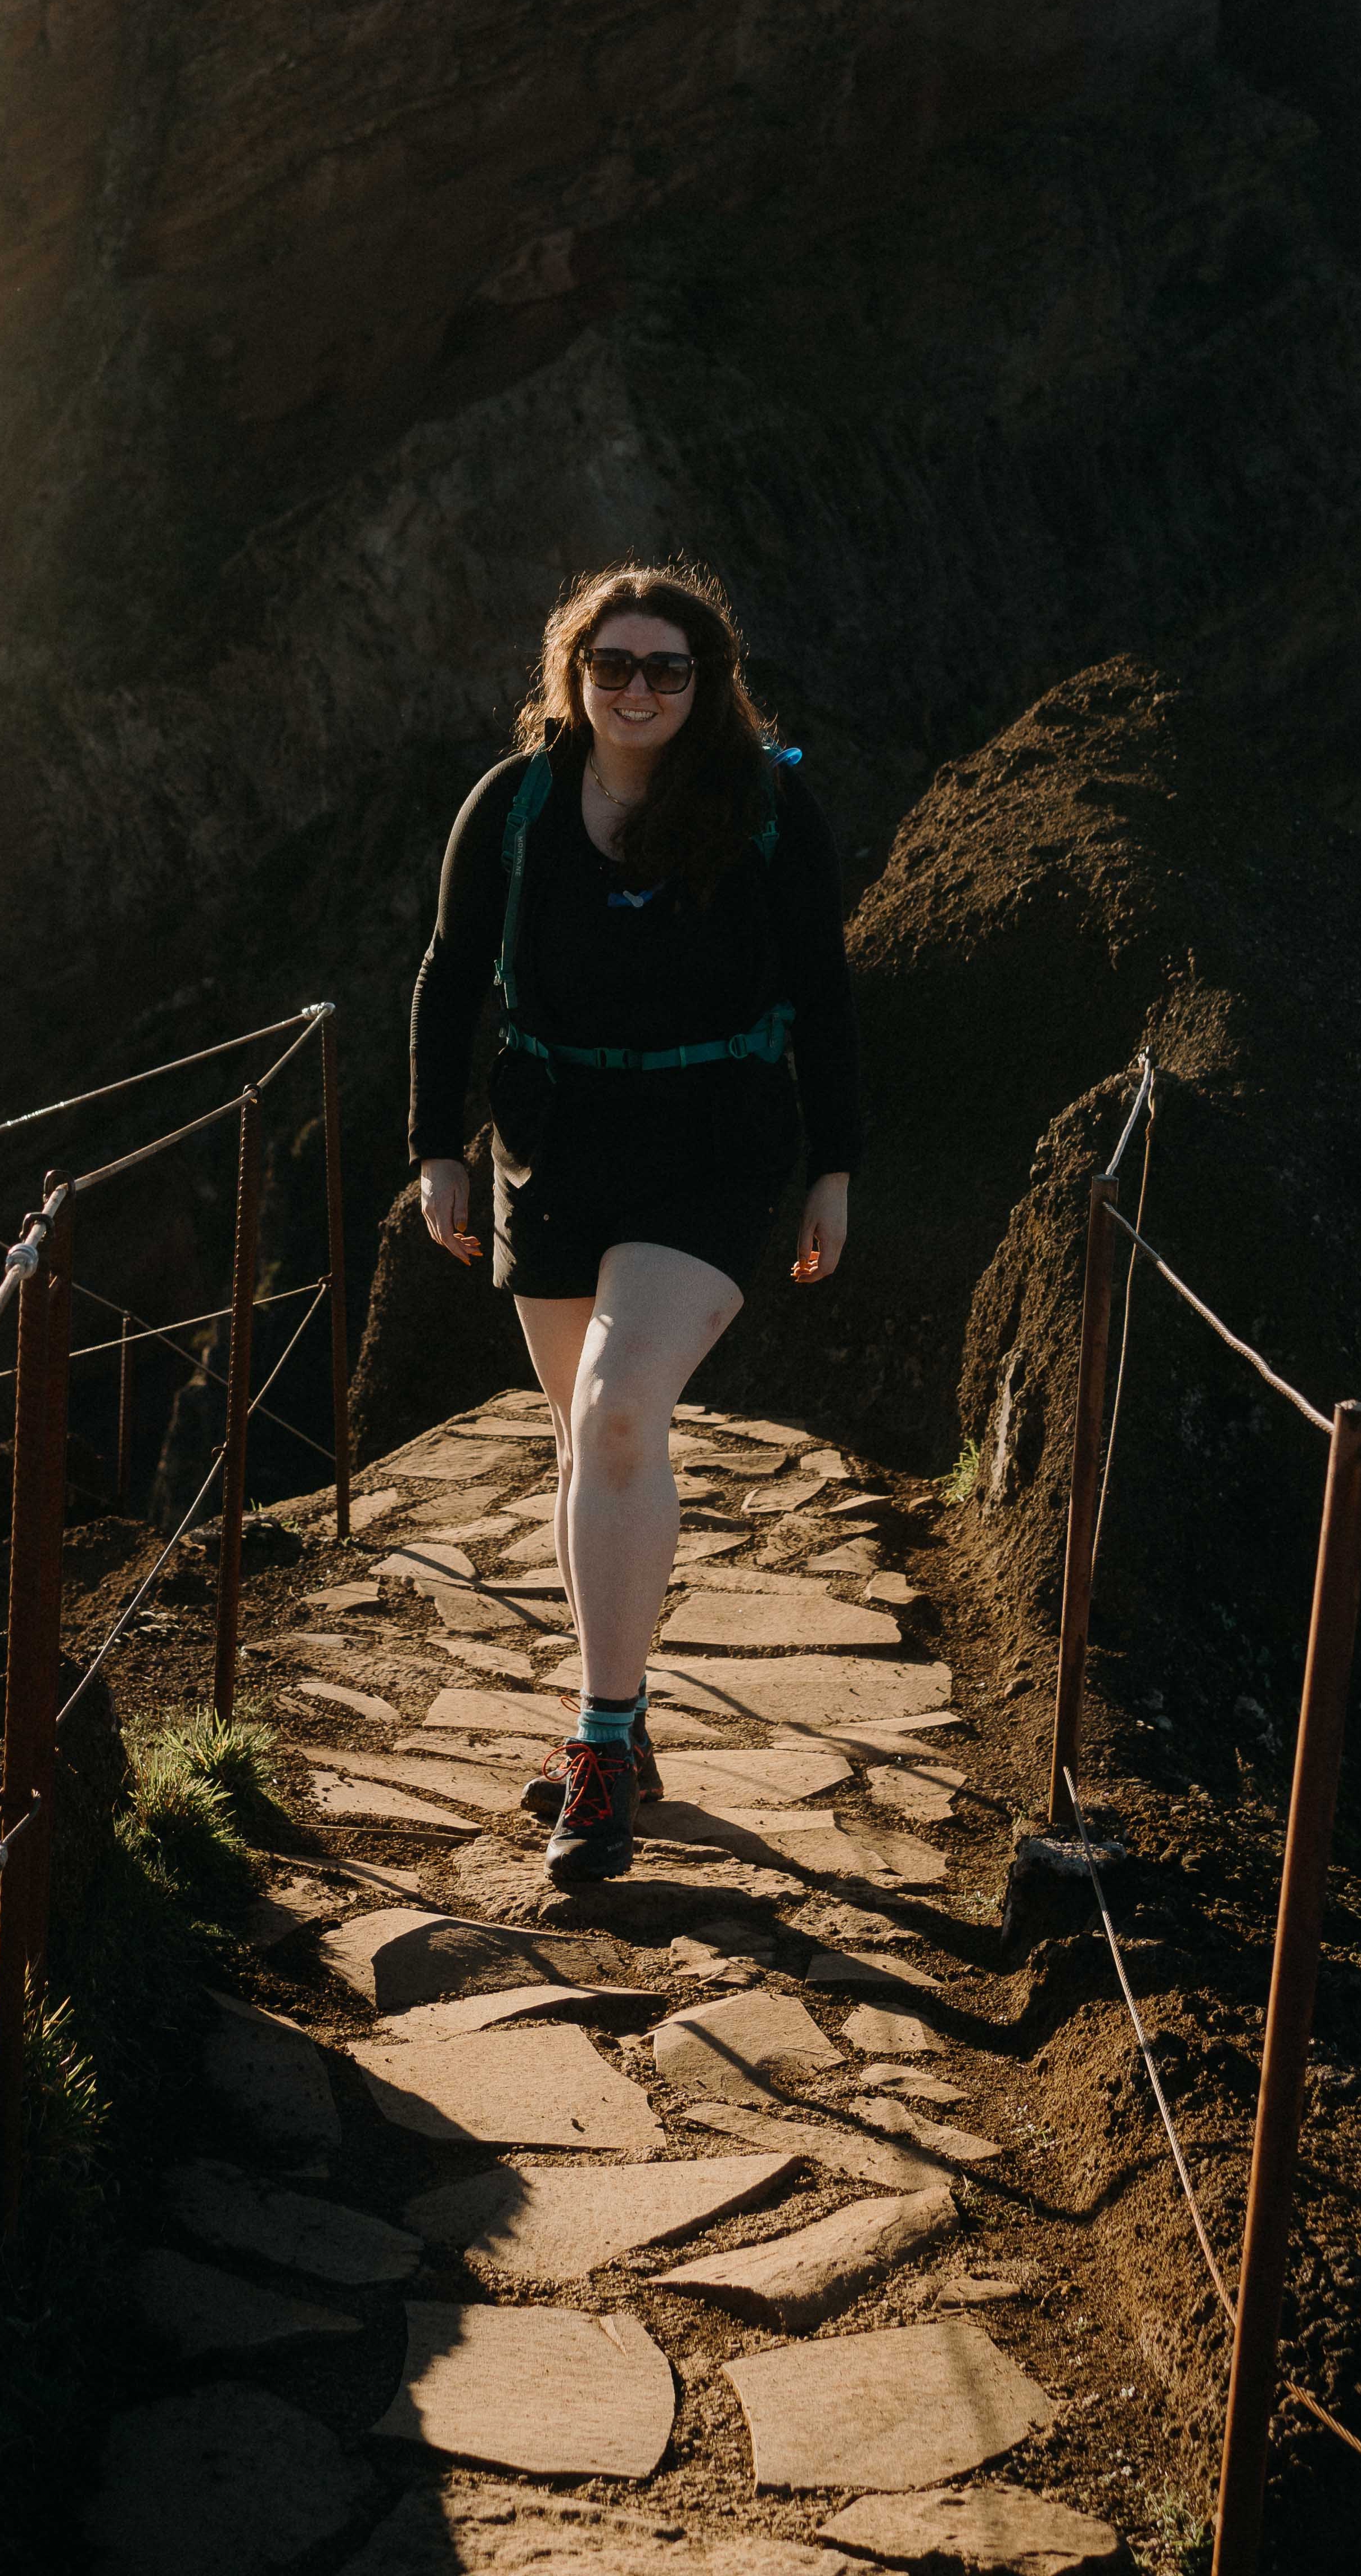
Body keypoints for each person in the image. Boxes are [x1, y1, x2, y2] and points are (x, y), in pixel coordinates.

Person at [408, 560, 864, 1886]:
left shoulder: (767, 806)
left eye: (670, 666)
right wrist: (435, 1145)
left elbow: (825, 993)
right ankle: (627, 1710)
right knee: (587, 1444)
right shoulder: (515, 804)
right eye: (613, 664)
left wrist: (834, 1168)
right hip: (552, 1139)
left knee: (615, 1413)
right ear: (573, 673)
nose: (639, 688)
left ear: (707, 681)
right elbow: (447, 974)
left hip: (718, 1137)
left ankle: (600, 1745)